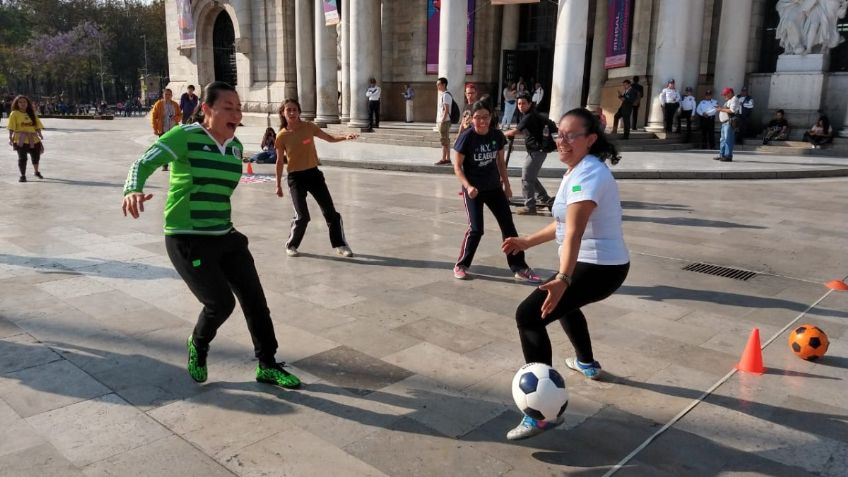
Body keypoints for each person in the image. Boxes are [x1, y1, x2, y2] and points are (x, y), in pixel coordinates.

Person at [121, 81, 302, 390]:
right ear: (206, 110)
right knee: (220, 304)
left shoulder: (234, 148)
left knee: (255, 301)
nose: (236, 113)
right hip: (187, 237)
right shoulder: (184, 136)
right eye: (228, 107)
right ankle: (198, 344)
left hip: (225, 235)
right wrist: (133, 189)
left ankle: (268, 365)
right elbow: (143, 162)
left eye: (239, 107)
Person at [502, 108, 629, 440]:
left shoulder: (589, 174)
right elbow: (560, 223)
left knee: (529, 315)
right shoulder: (578, 170)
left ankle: (544, 412)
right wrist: (526, 240)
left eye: (571, 136)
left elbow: (573, 232)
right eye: (559, 134)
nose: (562, 141)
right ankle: (586, 362)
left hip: (601, 266)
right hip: (600, 265)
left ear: (590, 139)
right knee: (565, 307)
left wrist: (562, 278)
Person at [451, 99, 542, 284]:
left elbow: (500, 163)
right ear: (472, 119)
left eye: (486, 117)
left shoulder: (497, 135)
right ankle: (461, 264)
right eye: (478, 117)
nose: (482, 121)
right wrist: (468, 187)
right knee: (476, 229)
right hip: (473, 190)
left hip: (493, 188)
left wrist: (507, 186)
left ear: (491, 117)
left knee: (508, 227)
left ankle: (519, 267)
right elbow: (457, 167)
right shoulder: (466, 138)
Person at [274, 98, 358, 258]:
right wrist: (278, 185)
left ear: (299, 111)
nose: (291, 112)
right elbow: (279, 161)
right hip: (295, 178)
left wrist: (345, 137)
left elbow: (329, 138)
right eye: (288, 110)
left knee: (330, 213)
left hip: (313, 175)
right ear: (283, 113)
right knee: (302, 216)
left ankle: (340, 244)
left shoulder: (309, 127)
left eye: (294, 109)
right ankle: (291, 245)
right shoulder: (281, 136)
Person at [504, 92, 553, 215]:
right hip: (535, 151)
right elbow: (526, 131)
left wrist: (502, 134)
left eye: (523, 103)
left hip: (537, 151)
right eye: (519, 103)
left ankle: (530, 206)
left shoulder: (529, 116)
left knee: (526, 177)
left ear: (530, 103)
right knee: (530, 177)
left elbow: (516, 131)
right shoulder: (529, 115)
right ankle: (545, 199)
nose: (520, 106)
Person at [7, 95, 45, 182]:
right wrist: (10, 137)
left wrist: (40, 134)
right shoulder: (14, 114)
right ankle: (22, 175)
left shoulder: (31, 113)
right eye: (20, 102)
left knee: (36, 156)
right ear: (17, 104)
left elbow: (37, 125)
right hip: (20, 139)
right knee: (22, 158)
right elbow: (11, 127)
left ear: (28, 103)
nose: (22, 104)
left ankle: (36, 171)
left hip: (34, 138)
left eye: (24, 102)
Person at [151, 89, 181, 171]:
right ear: (163, 95)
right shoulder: (159, 104)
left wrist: (175, 118)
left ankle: (175, 164)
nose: (167, 96)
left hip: (173, 129)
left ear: (171, 95)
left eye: (169, 94)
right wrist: (155, 129)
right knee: (163, 148)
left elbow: (179, 115)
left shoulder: (175, 104)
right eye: (166, 94)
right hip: (163, 129)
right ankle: (165, 165)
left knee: (174, 147)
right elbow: (153, 117)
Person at [715, 87, 740, 161]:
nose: (724, 96)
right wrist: (720, 108)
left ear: (730, 93)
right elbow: (726, 109)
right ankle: (722, 154)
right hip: (725, 123)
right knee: (722, 140)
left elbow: (732, 110)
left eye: (725, 94)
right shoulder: (729, 100)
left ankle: (728, 156)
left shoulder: (734, 99)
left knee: (728, 140)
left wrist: (721, 109)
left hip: (729, 122)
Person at [434, 77, 453, 165]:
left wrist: (442, 120)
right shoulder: (444, 95)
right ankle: (447, 158)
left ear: (444, 85)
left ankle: (444, 158)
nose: (437, 86)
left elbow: (446, 109)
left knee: (444, 140)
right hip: (443, 121)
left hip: (444, 121)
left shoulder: (446, 95)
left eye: (439, 84)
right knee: (445, 140)